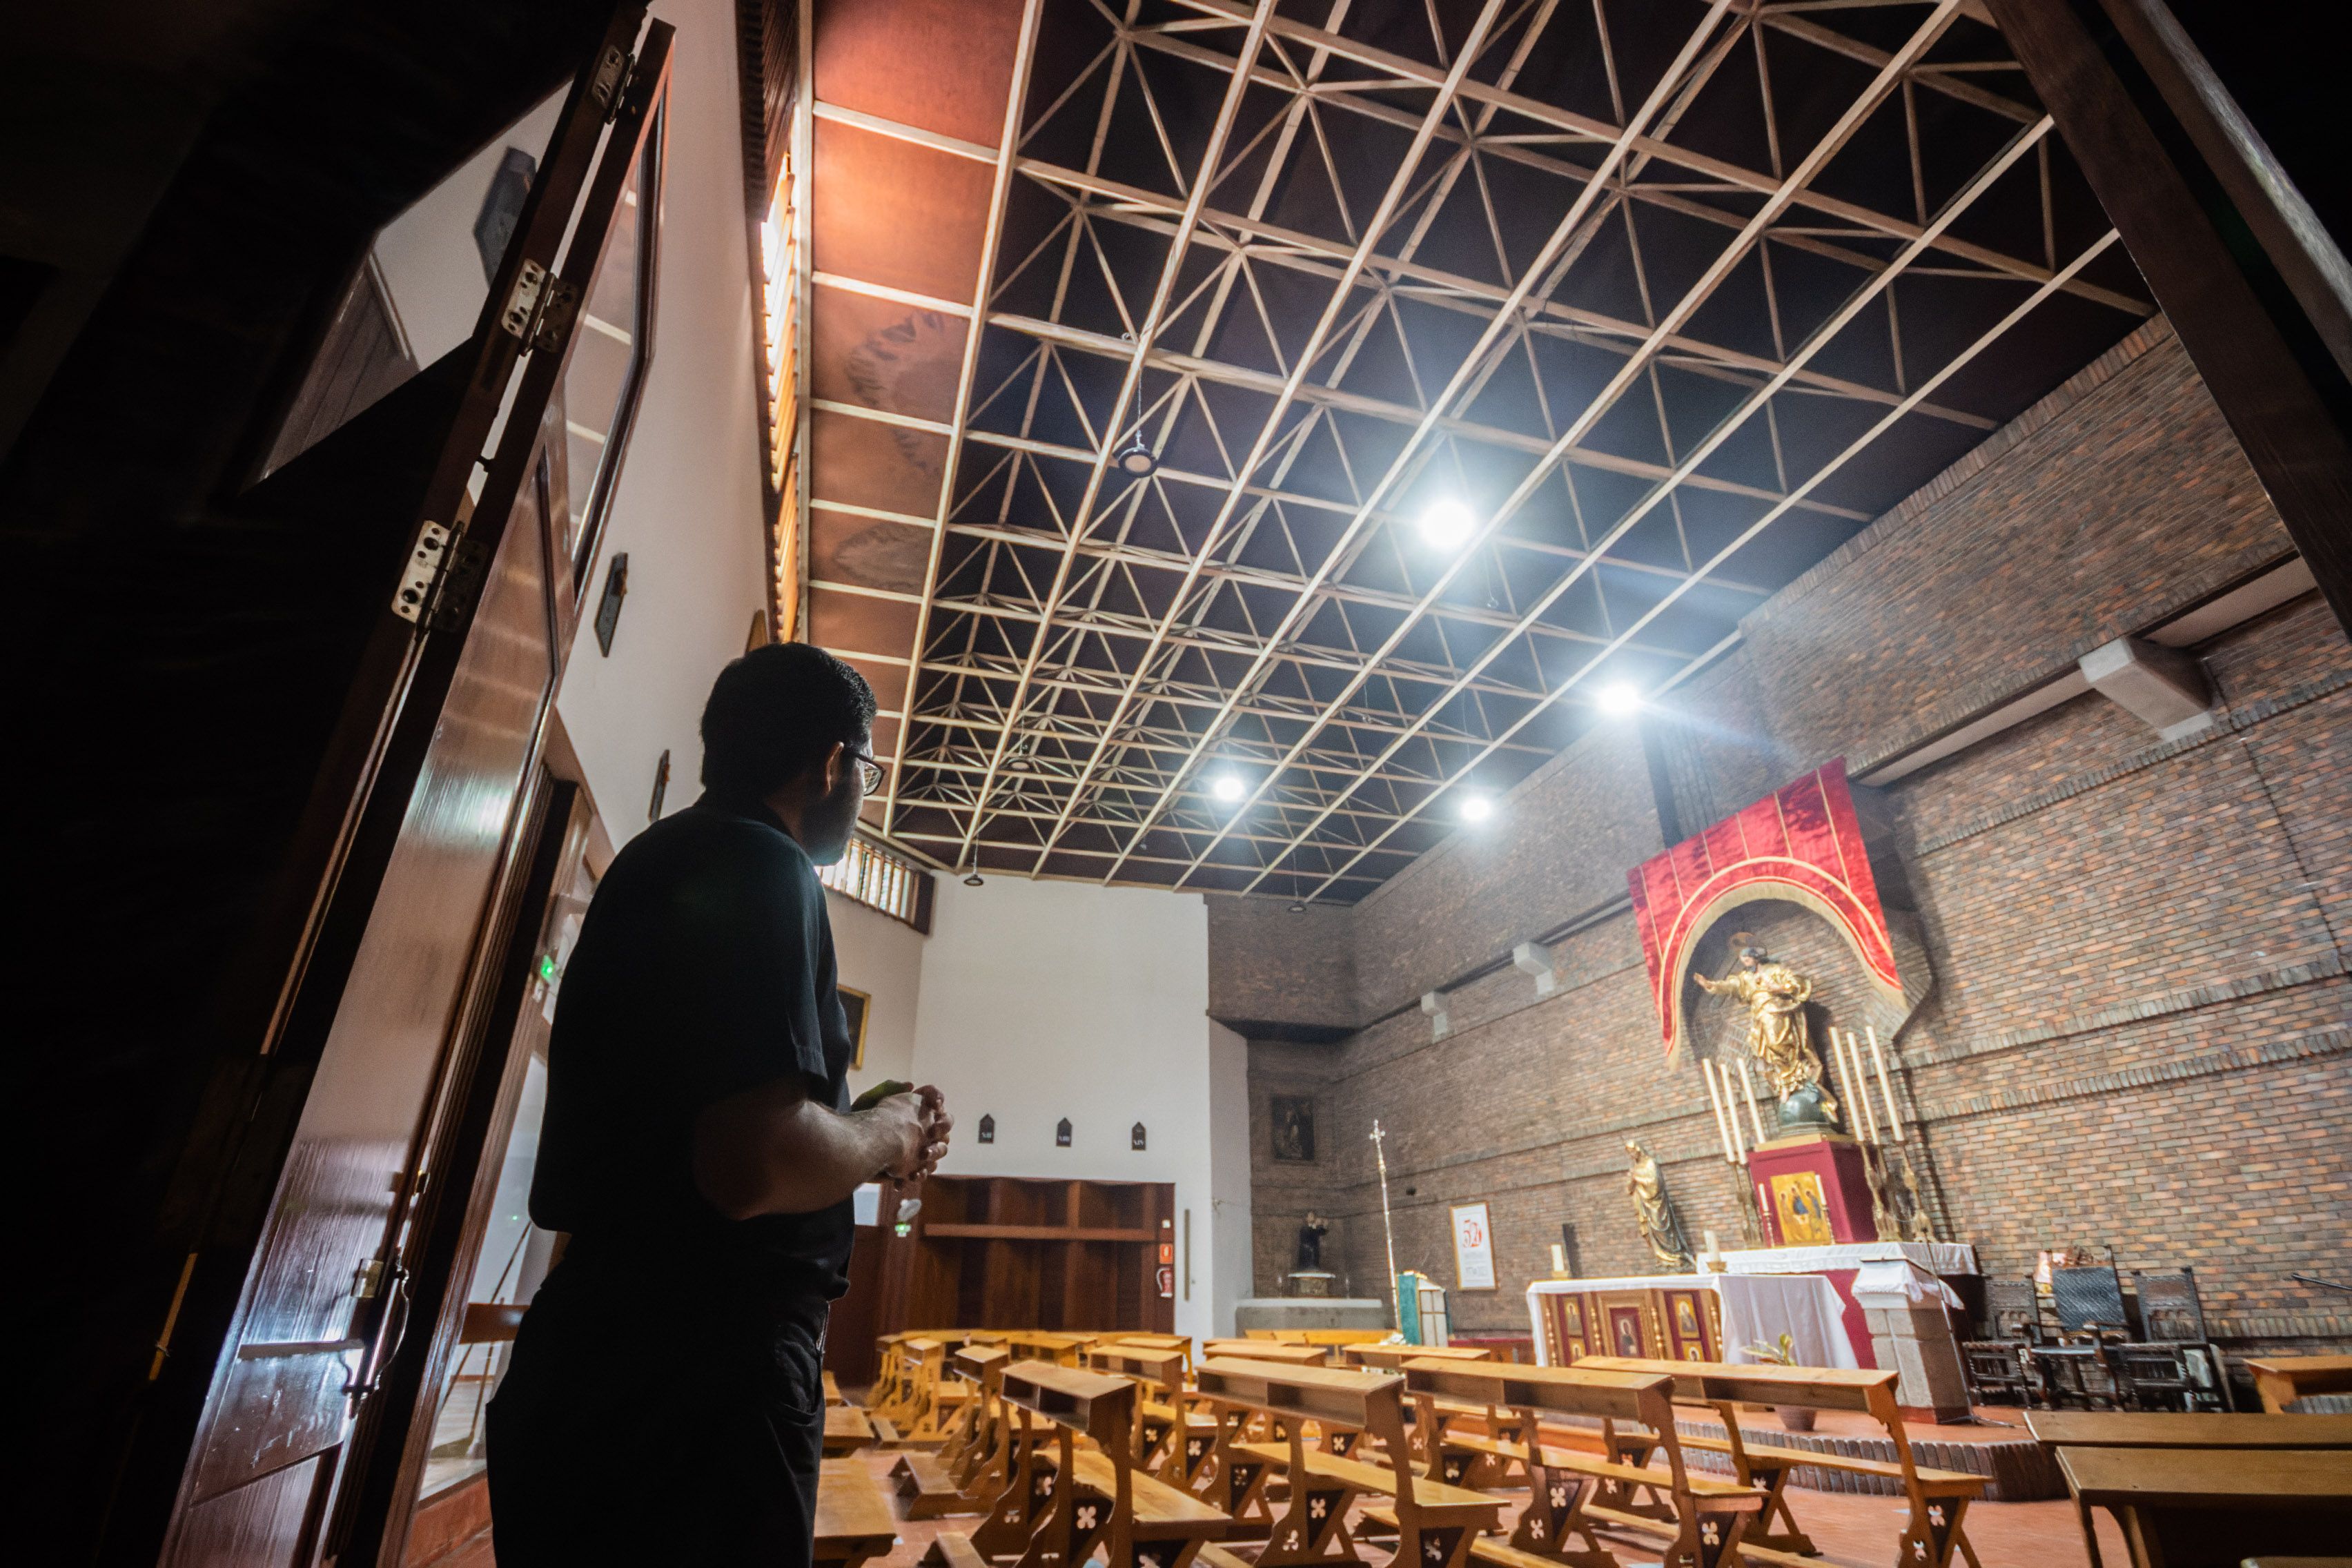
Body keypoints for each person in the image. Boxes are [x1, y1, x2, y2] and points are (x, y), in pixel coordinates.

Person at [489, 643, 951, 1566]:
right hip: (705, 1383)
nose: (866, 792)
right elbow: (752, 1163)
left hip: (597, 1350)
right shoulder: (764, 865)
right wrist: (888, 1131)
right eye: (870, 769)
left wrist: (856, 1126)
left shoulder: (661, 859)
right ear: (832, 763)